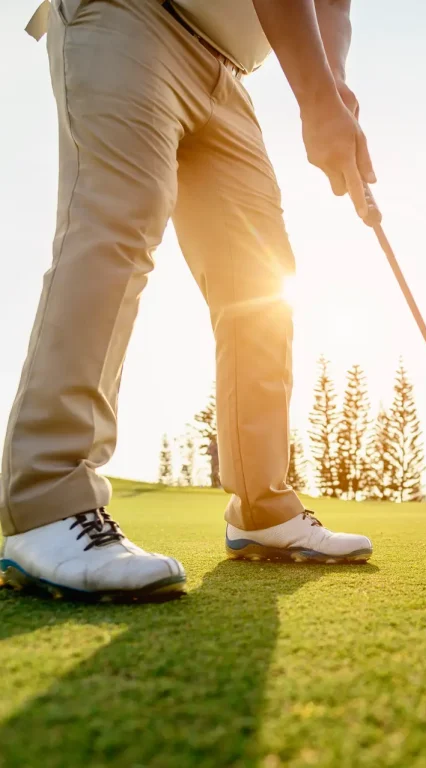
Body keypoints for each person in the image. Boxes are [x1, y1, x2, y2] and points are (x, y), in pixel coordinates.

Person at [0, 0, 376, 602]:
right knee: (118, 224)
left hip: (225, 73)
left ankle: (261, 506)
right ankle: (48, 501)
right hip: (130, 14)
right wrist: (316, 102)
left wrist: (334, 86)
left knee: (262, 279)